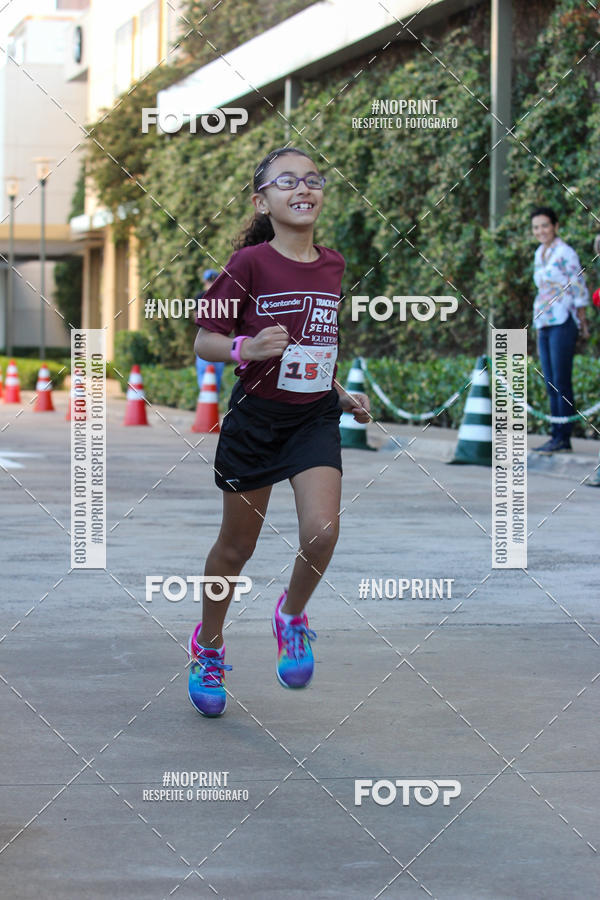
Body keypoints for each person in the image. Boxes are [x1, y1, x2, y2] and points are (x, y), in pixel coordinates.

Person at [188, 146, 370, 717]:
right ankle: (209, 646)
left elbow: (316, 343)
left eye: (313, 179)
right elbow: (205, 341)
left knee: (322, 532)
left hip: (313, 416)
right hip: (256, 422)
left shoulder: (333, 264)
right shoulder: (248, 266)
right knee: (236, 548)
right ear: (261, 199)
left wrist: (340, 392)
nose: (303, 188)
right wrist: (246, 346)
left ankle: (291, 616)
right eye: (286, 180)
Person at [530, 207, 589, 454]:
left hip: (563, 321)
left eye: (545, 225)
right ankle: (555, 435)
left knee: (561, 381)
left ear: (555, 226)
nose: (541, 231)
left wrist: (582, 321)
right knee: (550, 381)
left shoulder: (566, 253)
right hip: (544, 321)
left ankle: (564, 437)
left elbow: (578, 287)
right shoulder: (540, 253)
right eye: (536, 227)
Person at [194, 269, 225, 394]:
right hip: (218, 339)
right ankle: (210, 404)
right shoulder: (224, 296)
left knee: (205, 374)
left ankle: (207, 404)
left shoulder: (200, 296)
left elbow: (196, 318)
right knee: (214, 375)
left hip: (207, 339)